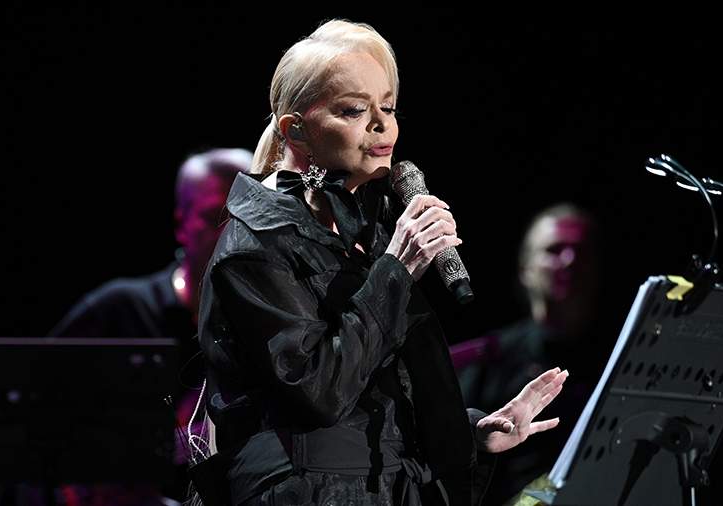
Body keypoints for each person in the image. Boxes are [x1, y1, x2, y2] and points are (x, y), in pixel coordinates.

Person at [196, 19, 569, 506]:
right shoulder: (254, 247)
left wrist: (469, 432)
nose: (381, 125)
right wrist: (397, 268)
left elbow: (371, 393)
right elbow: (320, 391)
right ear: (296, 130)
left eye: (388, 107)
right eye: (354, 110)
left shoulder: (364, 230)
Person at [47, 148, 251, 505]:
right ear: (180, 224)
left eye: (242, 217)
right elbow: (37, 413)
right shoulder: (119, 309)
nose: (229, 234)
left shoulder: (265, 324)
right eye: (213, 217)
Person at [455, 203, 607, 505]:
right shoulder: (490, 357)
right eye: (554, 250)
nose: (570, 260)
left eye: (581, 251)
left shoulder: (618, 352)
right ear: (526, 269)